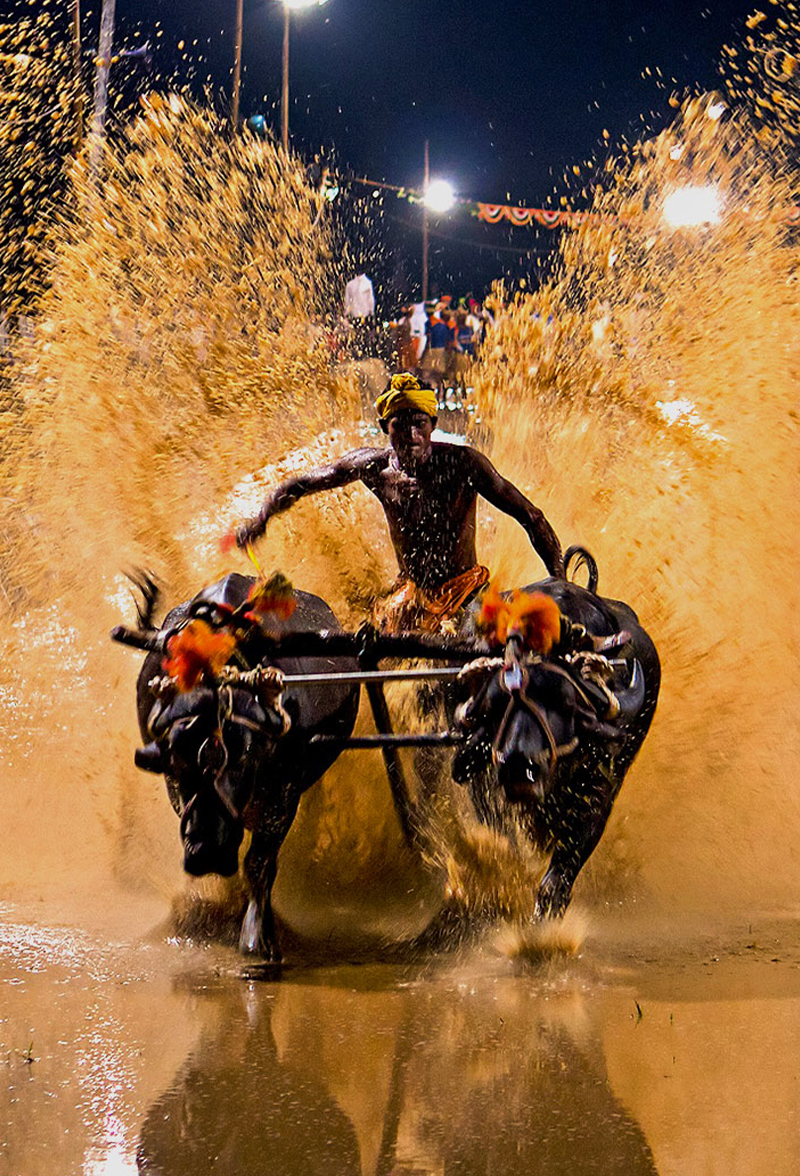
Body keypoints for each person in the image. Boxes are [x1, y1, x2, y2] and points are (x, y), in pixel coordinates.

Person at [232, 373, 564, 633]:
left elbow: (530, 516)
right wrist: (261, 519)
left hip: (466, 594)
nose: (410, 434)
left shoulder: (464, 464)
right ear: (385, 430)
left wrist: (560, 582)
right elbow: (306, 482)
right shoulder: (374, 468)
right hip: (409, 598)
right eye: (399, 425)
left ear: (433, 425)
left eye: (418, 423)